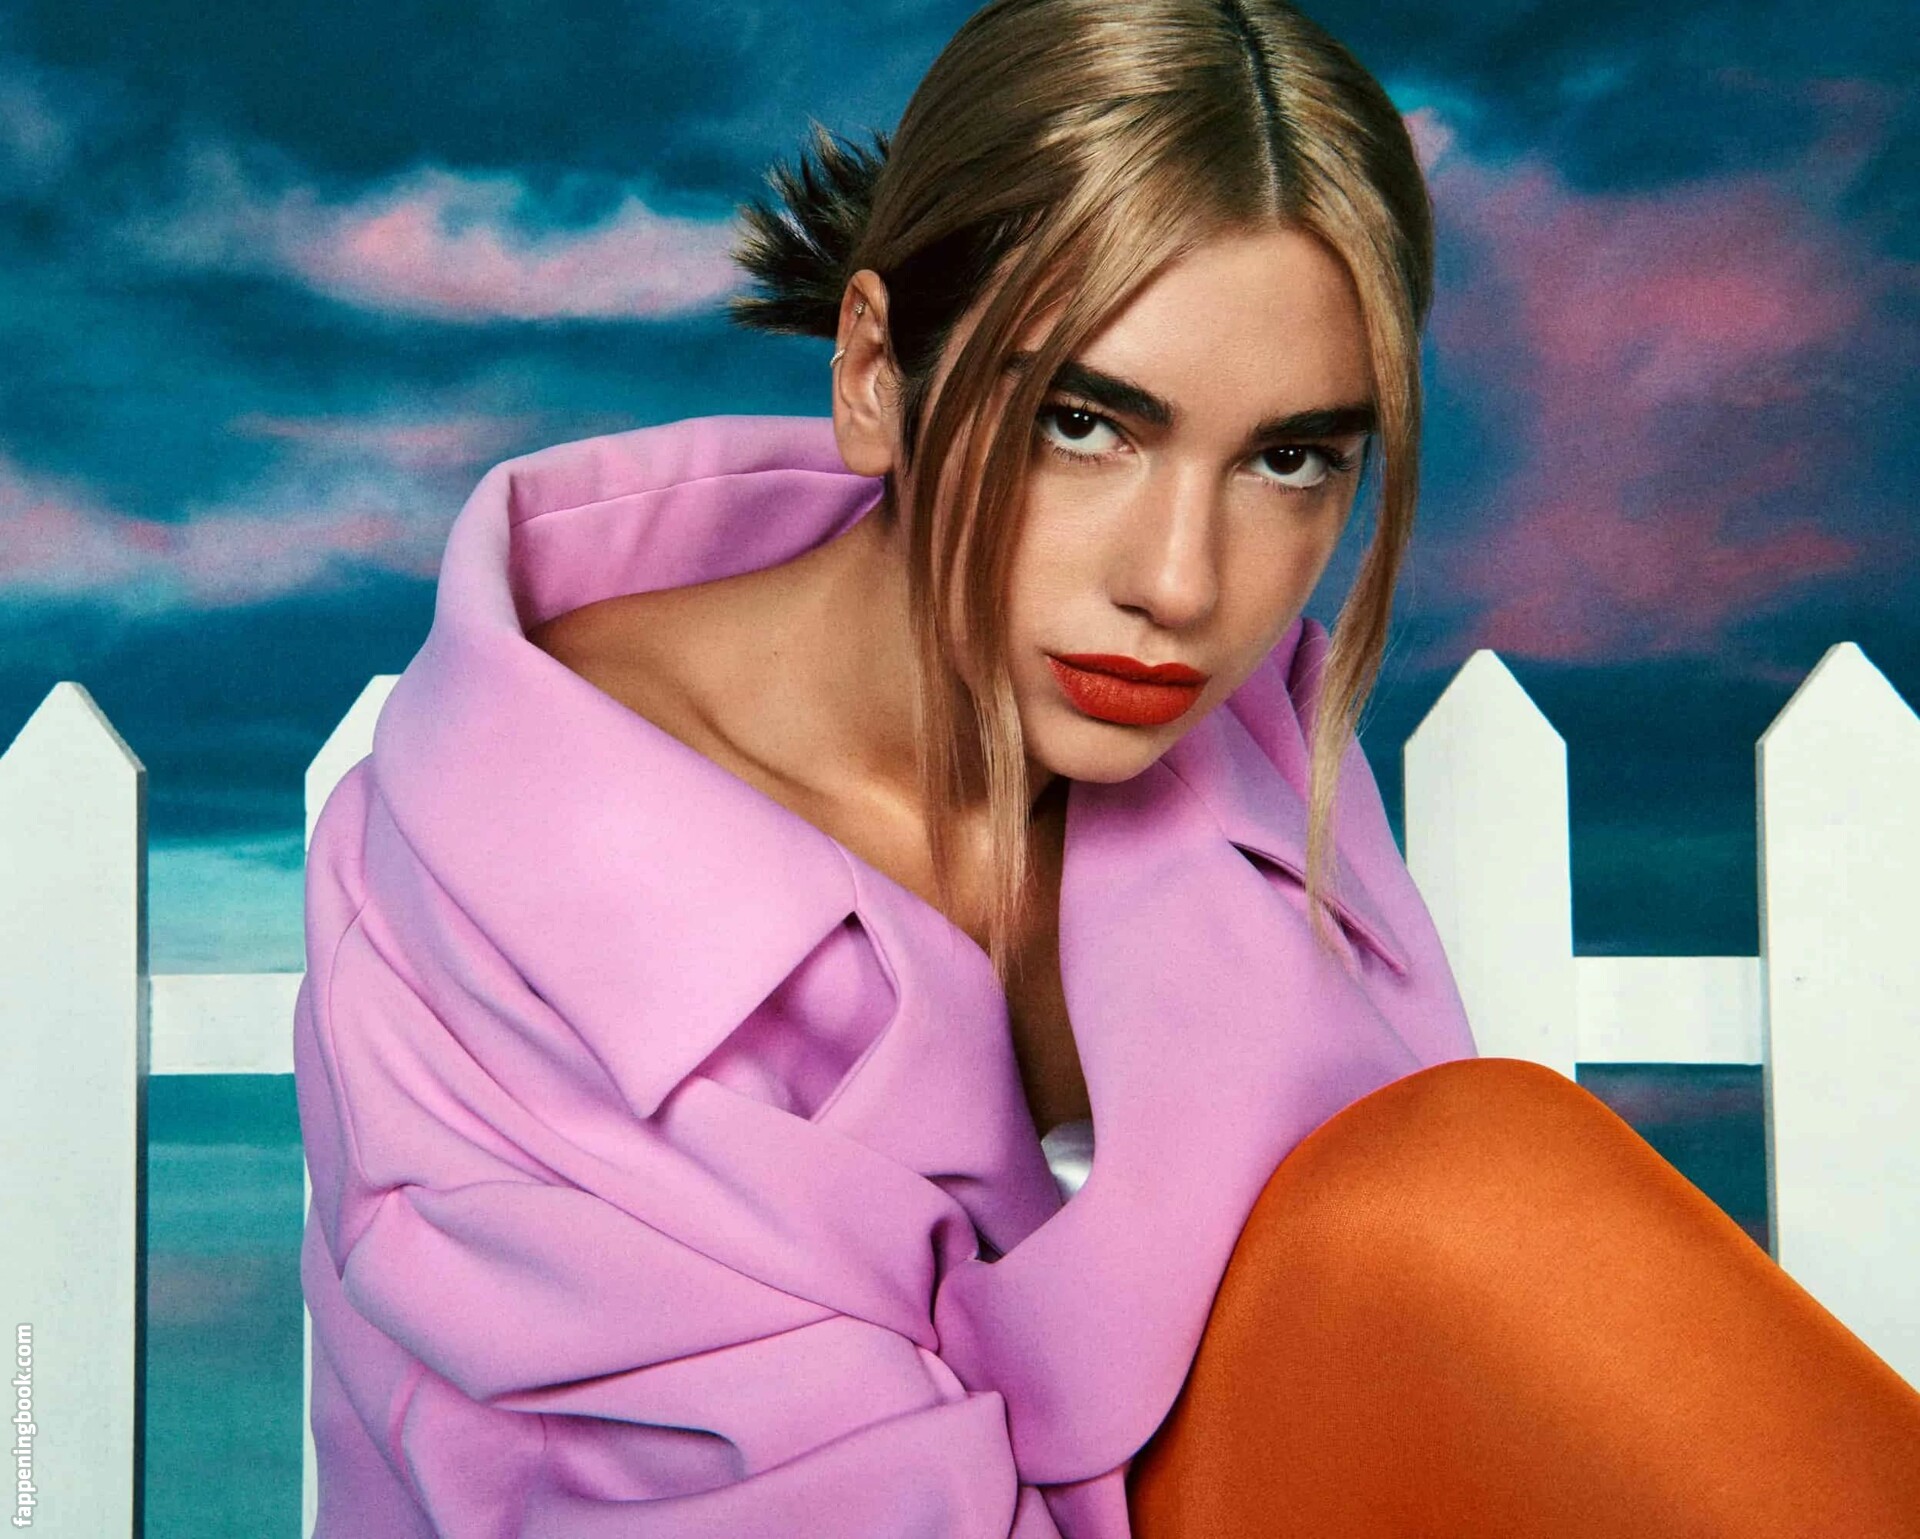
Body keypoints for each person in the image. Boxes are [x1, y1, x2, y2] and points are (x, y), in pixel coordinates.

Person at [293, 0, 1920, 1534]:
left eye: (1289, 458)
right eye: (1085, 422)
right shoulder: (498, 879)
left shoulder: (1229, 733)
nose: (1182, 583)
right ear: (873, 373)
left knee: (1477, 1177)